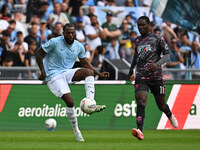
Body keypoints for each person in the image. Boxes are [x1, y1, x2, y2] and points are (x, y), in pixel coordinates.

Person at [35, 23, 110, 142]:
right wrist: (42, 71)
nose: (71, 35)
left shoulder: (79, 46)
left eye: (73, 33)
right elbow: (38, 53)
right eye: (68, 33)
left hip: (66, 72)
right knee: (70, 101)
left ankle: (91, 103)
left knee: (88, 72)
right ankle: (76, 130)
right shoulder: (54, 42)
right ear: (63, 33)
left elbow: (85, 62)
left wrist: (98, 73)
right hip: (53, 75)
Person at [128, 16, 178, 140]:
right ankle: (140, 130)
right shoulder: (138, 40)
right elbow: (136, 56)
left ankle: (169, 114)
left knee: (161, 106)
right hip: (141, 76)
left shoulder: (157, 38)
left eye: (142, 25)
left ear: (148, 25)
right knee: (141, 101)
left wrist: (157, 64)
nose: (140, 27)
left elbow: (167, 55)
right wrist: (131, 70)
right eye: (138, 25)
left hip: (156, 77)